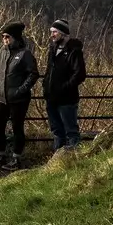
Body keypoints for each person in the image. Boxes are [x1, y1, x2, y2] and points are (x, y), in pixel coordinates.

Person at [0, 22, 37, 168]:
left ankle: (16, 158)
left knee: (17, 128)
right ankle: (0, 154)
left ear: (14, 37)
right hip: (0, 97)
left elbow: (33, 74)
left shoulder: (25, 54)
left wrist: (21, 90)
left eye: (7, 36)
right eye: (3, 36)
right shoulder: (0, 52)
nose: (4, 39)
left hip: (19, 99)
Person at [41, 19, 87, 152]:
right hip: (51, 98)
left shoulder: (74, 51)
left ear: (63, 33)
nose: (52, 35)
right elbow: (49, 71)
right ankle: (57, 162)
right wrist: (46, 86)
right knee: (56, 132)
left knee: (71, 131)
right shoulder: (53, 49)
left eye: (55, 32)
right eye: (51, 32)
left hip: (67, 99)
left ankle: (74, 160)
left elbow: (79, 74)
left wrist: (64, 87)